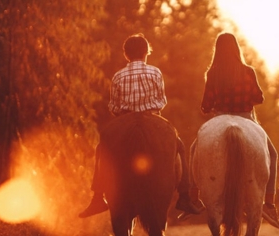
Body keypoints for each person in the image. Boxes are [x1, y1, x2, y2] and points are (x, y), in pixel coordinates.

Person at [79, 33, 205, 218]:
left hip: (125, 117)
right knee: (180, 146)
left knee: (101, 148)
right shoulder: (155, 72)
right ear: (147, 52)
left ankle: (98, 197)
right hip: (151, 116)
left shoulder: (118, 76)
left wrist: (123, 114)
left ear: (126, 55)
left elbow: (114, 105)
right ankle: (185, 196)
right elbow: (161, 101)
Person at [196, 32, 279, 229]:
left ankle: (192, 197)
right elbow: (259, 98)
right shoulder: (248, 71)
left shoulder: (212, 73)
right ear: (237, 49)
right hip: (246, 117)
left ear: (217, 50)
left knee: (195, 150)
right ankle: (269, 204)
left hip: (218, 117)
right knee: (273, 155)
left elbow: (205, 105)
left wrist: (213, 108)